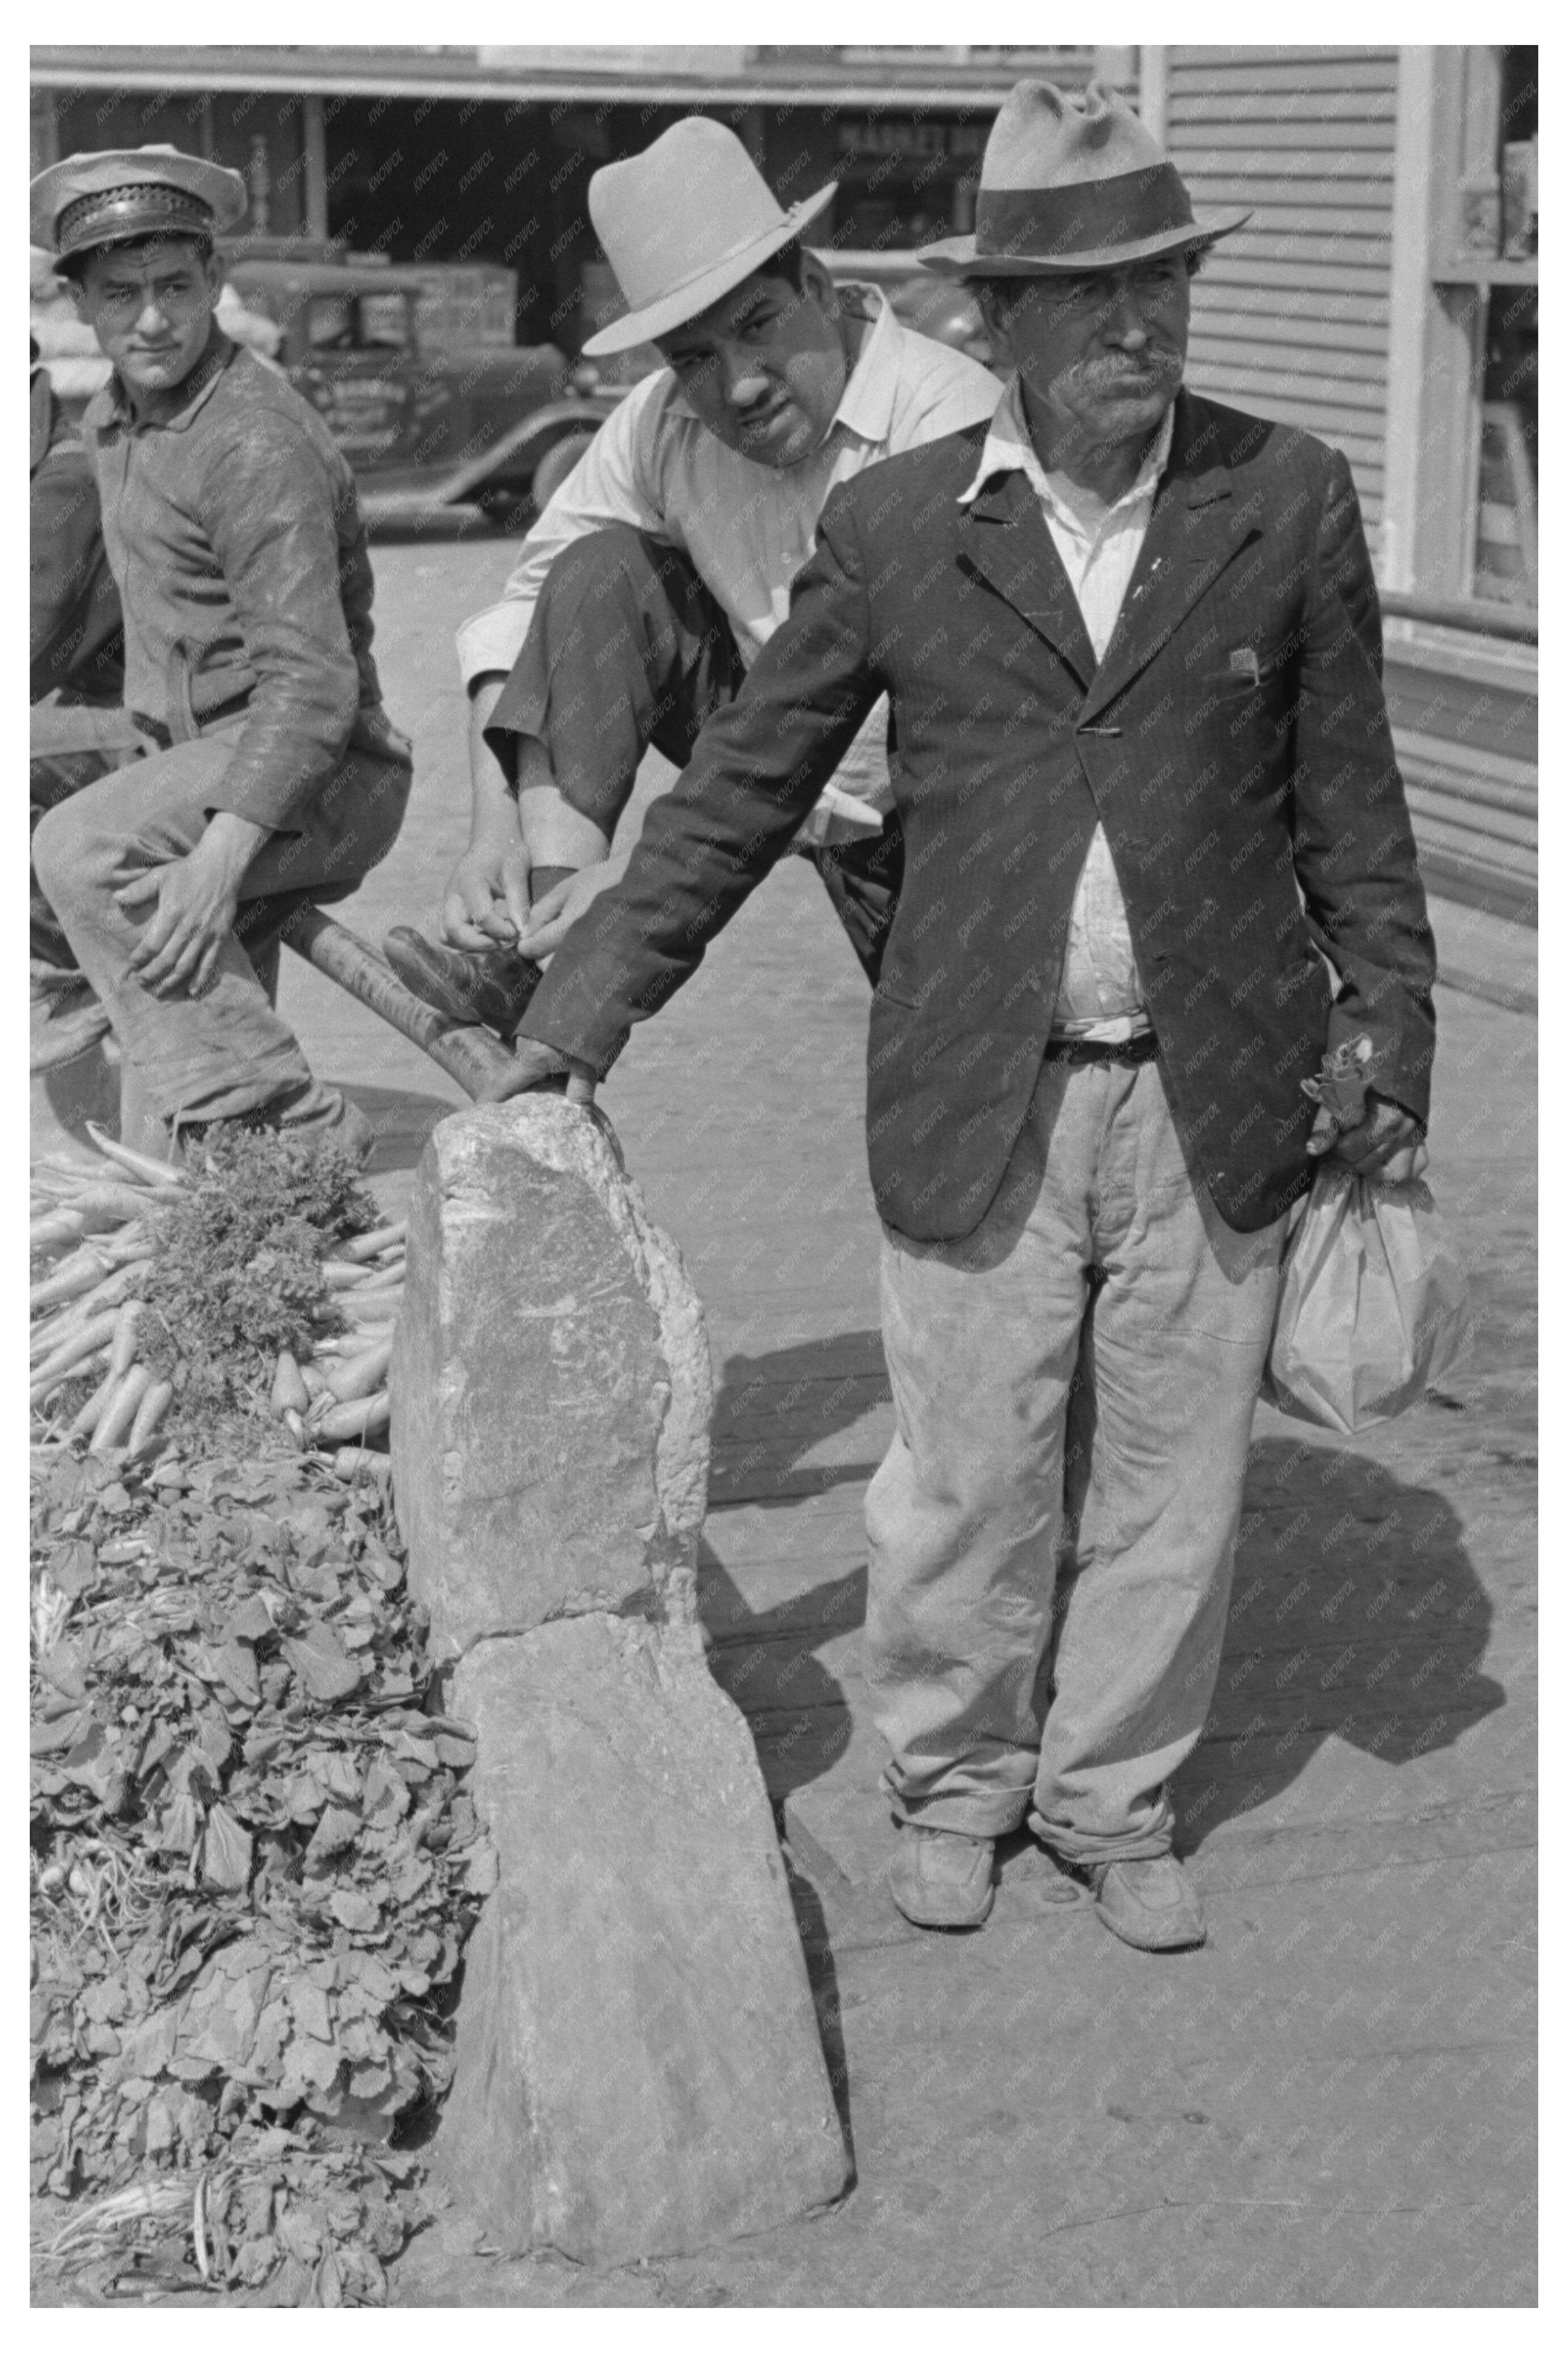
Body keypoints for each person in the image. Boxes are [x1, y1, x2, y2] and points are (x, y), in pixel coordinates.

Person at [505, 82, 1437, 1951]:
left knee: (1176, 1481)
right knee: (964, 1472)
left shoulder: (1282, 499)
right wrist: (576, 1010)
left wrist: (1392, 1037)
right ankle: (952, 1781)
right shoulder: (898, 525)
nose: (1135, 327)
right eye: (1085, 297)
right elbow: (741, 791)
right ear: (993, 324)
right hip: (975, 1071)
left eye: (1158, 284)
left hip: (1217, 1080)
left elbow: (1355, 809)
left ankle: (1110, 1799)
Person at [384, 115, 1000, 1032]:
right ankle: (539, 956)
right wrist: (493, 834)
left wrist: (644, 884)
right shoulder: (660, 422)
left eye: (760, 327)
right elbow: (528, 611)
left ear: (819, 290)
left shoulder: (947, 424)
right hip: (770, 770)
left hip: (956, 821)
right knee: (602, 572)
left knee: (977, 1082)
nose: (740, 386)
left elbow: (882, 752)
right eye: (696, 359)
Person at [27, 145, 413, 1157]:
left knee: (82, 848)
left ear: (215, 284)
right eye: (120, 295)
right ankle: (111, 1017)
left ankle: (285, 1125)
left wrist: (216, 860)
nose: (151, 320)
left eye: (174, 288)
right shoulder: (117, 414)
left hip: (323, 770)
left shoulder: (251, 442)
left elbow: (315, 685)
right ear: (80, 307)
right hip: (185, 747)